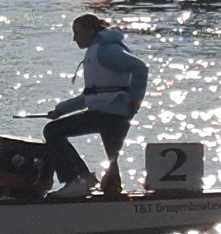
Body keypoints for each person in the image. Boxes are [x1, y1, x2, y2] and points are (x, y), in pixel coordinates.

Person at [42, 13, 149, 197]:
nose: (74, 38)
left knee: (52, 131)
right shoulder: (97, 50)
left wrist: (135, 100)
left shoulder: (106, 51)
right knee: (112, 162)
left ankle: (77, 180)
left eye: (77, 32)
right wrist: (61, 110)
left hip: (111, 113)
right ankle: (109, 196)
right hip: (109, 111)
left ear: (91, 31)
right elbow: (89, 96)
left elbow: (140, 68)